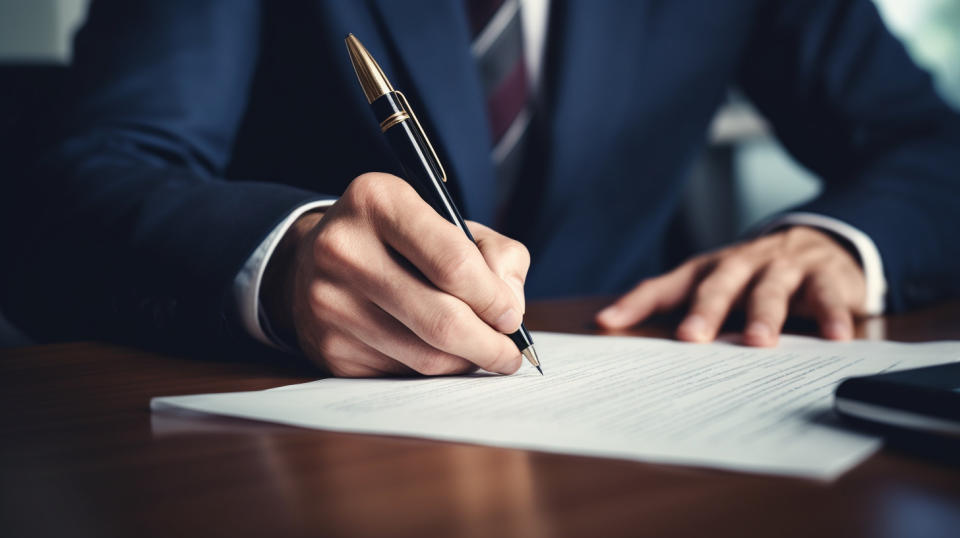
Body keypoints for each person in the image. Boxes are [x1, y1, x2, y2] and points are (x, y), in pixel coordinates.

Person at [3, 0, 959, 377]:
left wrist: (841, 239)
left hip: (639, 425)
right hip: (300, 456)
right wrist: (283, 258)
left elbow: (930, 143)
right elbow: (82, 184)